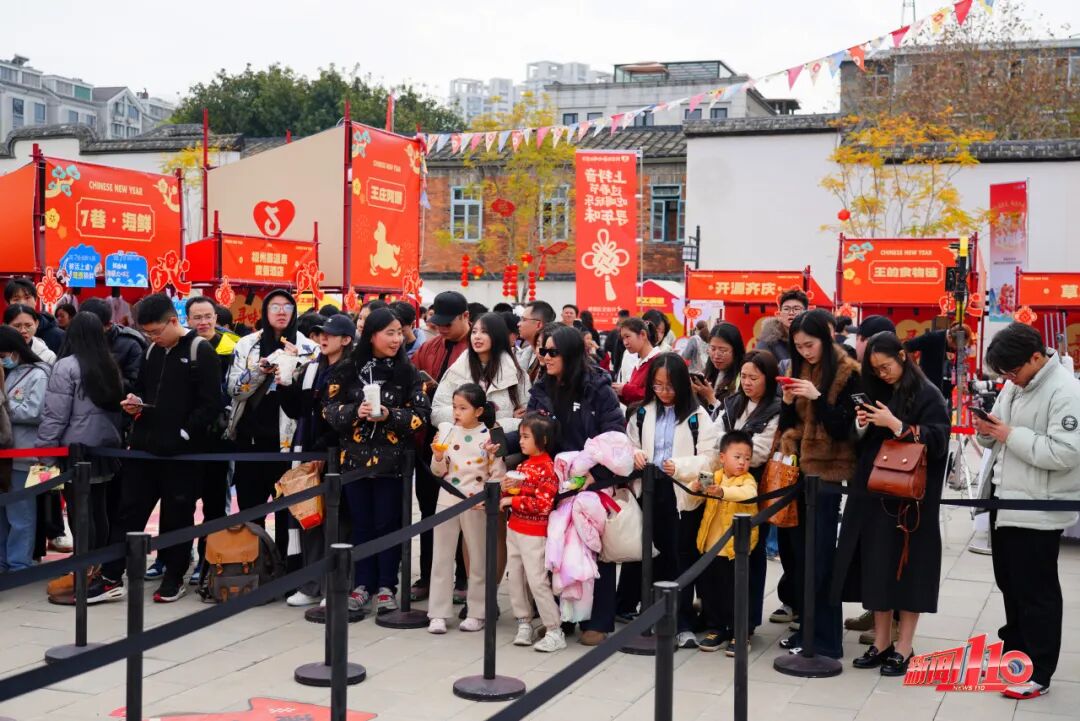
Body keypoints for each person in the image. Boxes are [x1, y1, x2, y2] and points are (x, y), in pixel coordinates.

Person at [88, 294, 222, 603]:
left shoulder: (200, 350)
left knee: (178, 515)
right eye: (147, 332)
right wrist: (135, 404)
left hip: (182, 453)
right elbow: (145, 390)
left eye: (156, 331)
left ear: (173, 321)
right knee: (128, 513)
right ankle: (111, 576)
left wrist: (184, 434)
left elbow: (211, 404)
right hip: (144, 449)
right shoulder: (151, 351)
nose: (152, 337)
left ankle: (174, 576)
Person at [833, 332, 949, 677]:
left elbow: (939, 439)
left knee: (910, 570)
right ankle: (881, 641)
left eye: (886, 367)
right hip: (872, 491)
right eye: (876, 369)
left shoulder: (928, 393)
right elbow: (857, 440)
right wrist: (862, 424)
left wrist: (897, 425)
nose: (882, 374)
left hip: (910, 500)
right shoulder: (875, 390)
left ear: (902, 356)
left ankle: (904, 646)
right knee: (875, 565)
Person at [974, 322, 1080, 700]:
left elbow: (1065, 453)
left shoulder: (1066, 391)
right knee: (1011, 585)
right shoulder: (1015, 384)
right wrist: (985, 429)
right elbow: (997, 433)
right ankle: (1015, 656)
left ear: (1036, 357)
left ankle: (1039, 671)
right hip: (1004, 502)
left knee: (1037, 592)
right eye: (1004, 374)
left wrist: (1009, 434)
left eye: (1013, 371)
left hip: (1038, 507)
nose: (1010, 379)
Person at [514, 324, 625, 645]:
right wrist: (500, 442)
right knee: (556, 552)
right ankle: (560, 619)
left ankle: (597, 620)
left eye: (553, 352)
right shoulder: (541, 388)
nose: (545, 357)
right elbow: (531, 429)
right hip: (553, 481)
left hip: (591, 483)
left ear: (571, 354)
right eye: (542, 351)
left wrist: (595, 474)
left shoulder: (598, 388)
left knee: (595, 551)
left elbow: (614, 435)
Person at [324, 308, 430, 612]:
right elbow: (329, 410)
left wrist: (390, 415)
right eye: (389, 333)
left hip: (392, 465)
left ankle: (386, 586)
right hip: (354, 463)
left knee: (388, 525)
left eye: (399, 333)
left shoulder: (408, 372)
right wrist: (353, 412)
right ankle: (362, 585)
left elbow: (421, 416)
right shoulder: (346, 369)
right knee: (361, 525)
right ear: (372, 335)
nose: (397, 339)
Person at [775, 308, 861, 660]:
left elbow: (844, 428)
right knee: (801, 559)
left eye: (809, 345)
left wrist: (817, 397)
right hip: (797, 473)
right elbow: (788, 424)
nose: (805, 352)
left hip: (828, 476)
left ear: (825, 339)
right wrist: (786, 402)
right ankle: (807, 630)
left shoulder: (848, 372)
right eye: (798, 346)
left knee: (821, 560)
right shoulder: (800, 369)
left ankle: (826, 639)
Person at [627, 352, 719, 648]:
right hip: (649, 489)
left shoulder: (697, 416)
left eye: (669, 386)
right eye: (657, 385)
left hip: (682, 493)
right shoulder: (642, 413)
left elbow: (711, 459)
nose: (664, 392)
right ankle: (653, 615)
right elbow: (629, 444)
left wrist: (679, 466)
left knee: (681, 557)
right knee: (653, 554)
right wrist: (635, 454)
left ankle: (682, 622)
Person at [226, 290, 317, 557]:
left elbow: (310, 395)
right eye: (275, 307)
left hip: (290, 443)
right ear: (265, 311)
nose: (281, 312)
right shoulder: (247, 344)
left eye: (287, 307)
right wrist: (259, 370)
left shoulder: (308, 348)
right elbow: (234, 390)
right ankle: (253, 563)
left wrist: (295, 364)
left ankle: (287, 566)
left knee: (288, 512)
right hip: (251, 440)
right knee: (250, 509)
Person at [280, 314, 355, 606]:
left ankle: (335, 585)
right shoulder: (312, 368)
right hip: (308, 449)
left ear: (346, 340)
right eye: (320, 333)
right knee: (309, 516)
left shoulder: (353, 370)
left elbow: (348, 417)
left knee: (337, 521)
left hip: (339, 453)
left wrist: (325, 448)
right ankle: (311, 584)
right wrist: (285, 383)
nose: (323, 338)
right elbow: (297, 410)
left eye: (330, 334)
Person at [36, 313, 124, 559]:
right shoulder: (109, 364)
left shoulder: (66, 366)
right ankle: (98, 565)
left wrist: (46, 453)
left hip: (75, 449)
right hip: (104, 447)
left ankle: (83, 567)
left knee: (79, 511)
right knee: (99, 508)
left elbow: (55, 415)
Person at [427, 384, 504, 633]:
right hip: (447, 498)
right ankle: (438, 612)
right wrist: (438, 456)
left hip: (476, 502)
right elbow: (438, 471)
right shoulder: (447, 431)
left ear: (479, 410)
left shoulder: (491, 436)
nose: (457, 413)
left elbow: (497, 473)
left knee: (479, 557)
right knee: (441, 557)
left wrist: (490, 498)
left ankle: (478, 611)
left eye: (463, 408)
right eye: (454, 407)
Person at [411, 291, 471, 601]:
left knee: (464, 515)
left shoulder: (475, 349)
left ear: (465, 317)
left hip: (465, 445)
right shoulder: (428, 347)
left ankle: (464, 579)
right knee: (428, 512)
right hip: (430, 443)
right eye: (438, 324)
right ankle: (427, 576)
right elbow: (412, 380)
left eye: (448, 324)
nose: (442, 329)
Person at [719, 349, 781, 646]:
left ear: (768, 379)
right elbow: (715, 439)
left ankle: (746, 623)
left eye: (754, 377)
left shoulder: (776, 409)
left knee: (751, 553)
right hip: (723, 485)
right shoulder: (732, 403)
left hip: (755, 488)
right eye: (743, 376)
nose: (746, 382)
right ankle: (722, 618)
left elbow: (758, 453)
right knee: (722, 551)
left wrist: (729, 453)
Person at [687, 431, 759, 652]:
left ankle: (740, 632)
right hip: (711, 547)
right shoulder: (715, 476)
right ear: (722, 457)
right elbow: (693, 498)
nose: (742, 462)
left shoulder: (748, 480)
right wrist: (695, 488)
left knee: (736, 592)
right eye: (737, 457)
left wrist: (722, 492)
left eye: (747, 458)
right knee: (712, 591)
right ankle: (716, 628)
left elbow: (747, 494)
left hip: (734, 550)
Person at [184, 296, 237, 585]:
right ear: (187, 319)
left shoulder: (234, 347)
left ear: (216, 318)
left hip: (219, 438)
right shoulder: (181, 346)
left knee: (215, 504)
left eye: (208, 316)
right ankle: (176, 557)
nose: (203, 322)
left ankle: (208, 559)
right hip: (186, 438)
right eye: (197, 317)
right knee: (180, 502)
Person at [503, 412, 565, 652]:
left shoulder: (548, 469)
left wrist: (512, 501)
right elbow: (515, 495)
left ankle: (554, 629)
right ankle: (523, 621)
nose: (520, 441)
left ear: (543, 439)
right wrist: (506, 490)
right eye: (520, 436)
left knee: (537, 580)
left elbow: (543, 505)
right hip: (515, 528)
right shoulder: (523, 465)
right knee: (516, 577)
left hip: (534, 532)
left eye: (526, 436)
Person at [0, 328, 49, 572]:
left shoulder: (39, 374)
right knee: (3, 513)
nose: (2, 360)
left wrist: (4, 410)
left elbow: (36, 411)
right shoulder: (10, 373)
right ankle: (3, 561)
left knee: (21, 514)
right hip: (6, 455)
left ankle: (19, 564)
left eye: (3, 355)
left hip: (26, 455)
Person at [432, 312, 530, 432]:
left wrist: (498, 424)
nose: (477, 336)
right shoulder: (457, 370)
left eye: (484, 332)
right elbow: (436, 413)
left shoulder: (516, 375)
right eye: (474, 332)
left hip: (499, 441)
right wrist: (472, 416)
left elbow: (526, 419)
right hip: (462, 440)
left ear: (498, 336)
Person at [79, 298, 145, 394]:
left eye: (93, 327)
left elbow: (134, 385)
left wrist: (102, 378)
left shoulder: (131, 344)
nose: (86, 332)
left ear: (108, 325)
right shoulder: (76, 338)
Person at [692, 323, 745, 419]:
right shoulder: (707, 373)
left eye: (722, 350)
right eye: (712, 349)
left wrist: (710, 397)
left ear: (736, 350)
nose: (716, 355)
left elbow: (731, 418)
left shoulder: (743, 378)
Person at [903, 322, 967, 399]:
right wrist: (915, 368)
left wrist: (963, 382)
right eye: (955, 345)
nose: (956, 348)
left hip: (947, 393)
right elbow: (906, 347)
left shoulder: (959, 344)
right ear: (950, 337)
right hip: (928, 389)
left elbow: (960, 365)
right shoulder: (933, 337)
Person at [4, 278, 65, 353]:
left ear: (36, 300)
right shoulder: (3, 335)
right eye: (16, 299)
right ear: (8, 304)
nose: (22, 303)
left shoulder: (59, 336)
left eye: (27, 298)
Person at [612, 317, 659, 405]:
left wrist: (625, 390)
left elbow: (657, 394)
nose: (625, 343)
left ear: (643, 334)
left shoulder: (658, 361)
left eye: (627, 337)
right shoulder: (639, 363)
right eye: (623, 338)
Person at [758, 288, 808, 369]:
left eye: (796, 309)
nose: (791, 313)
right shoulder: (768, 340)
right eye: (786, 309)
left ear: (806, 313)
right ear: (779, 315)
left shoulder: (813, 337)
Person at [518, 301, 555, 382]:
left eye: (523, 319)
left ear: (538, 325)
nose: (518, 324)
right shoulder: (525, 353)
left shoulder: (551, 359)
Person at [604, 309, 632, 378]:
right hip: (621, 367)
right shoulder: (616, 333)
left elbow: (607, 348)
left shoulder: (616, 333)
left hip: (622, 367)